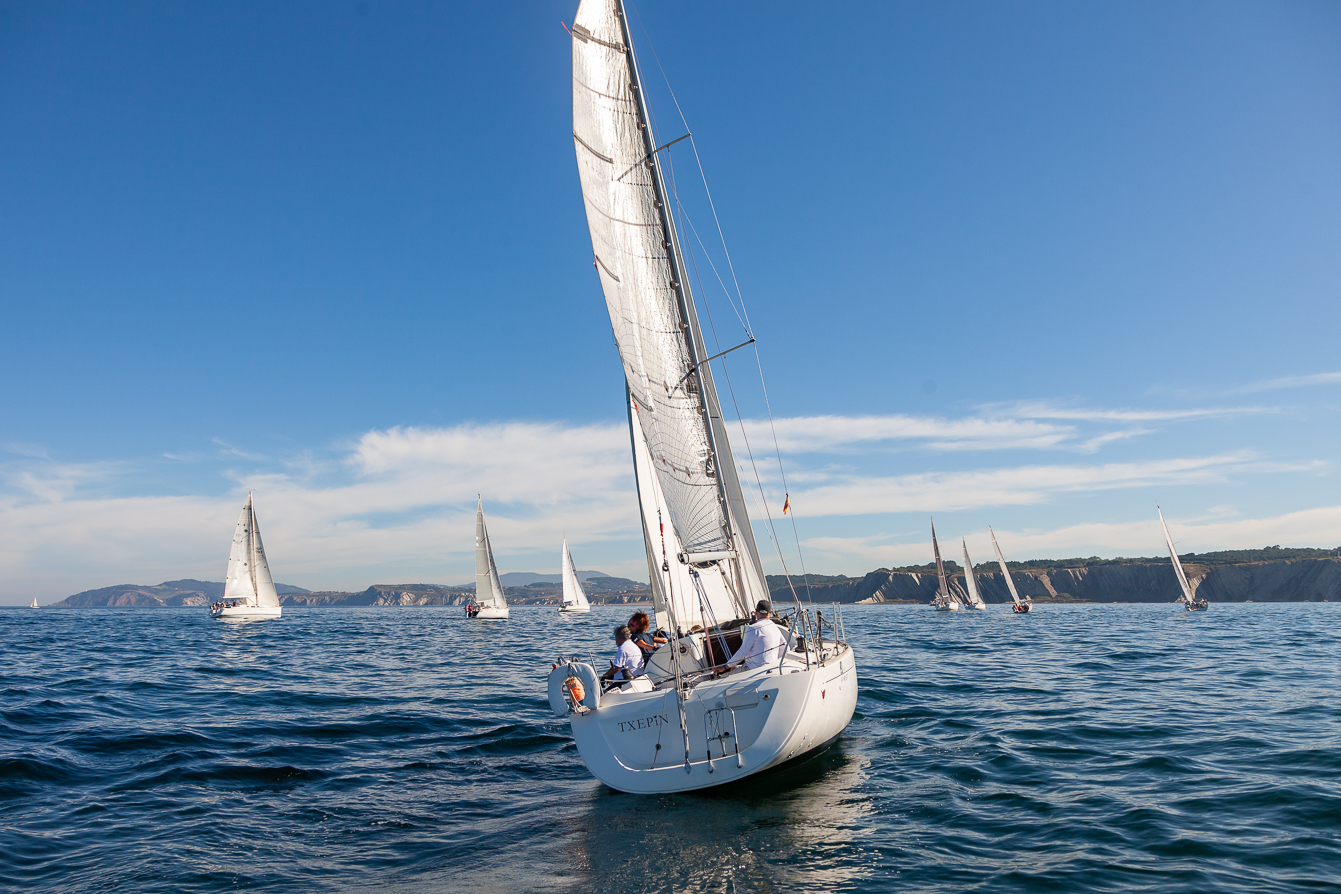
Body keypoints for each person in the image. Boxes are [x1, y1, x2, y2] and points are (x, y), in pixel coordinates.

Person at [723, 600, 788, 672]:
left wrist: (725, 667)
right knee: (736, 668)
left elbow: (743, 652)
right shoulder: (775, 628)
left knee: (724, 676)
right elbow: (785, 649)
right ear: (770, 613)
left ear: (756, 612)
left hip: (752, 670)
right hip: (770, 669)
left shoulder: (753, 628)